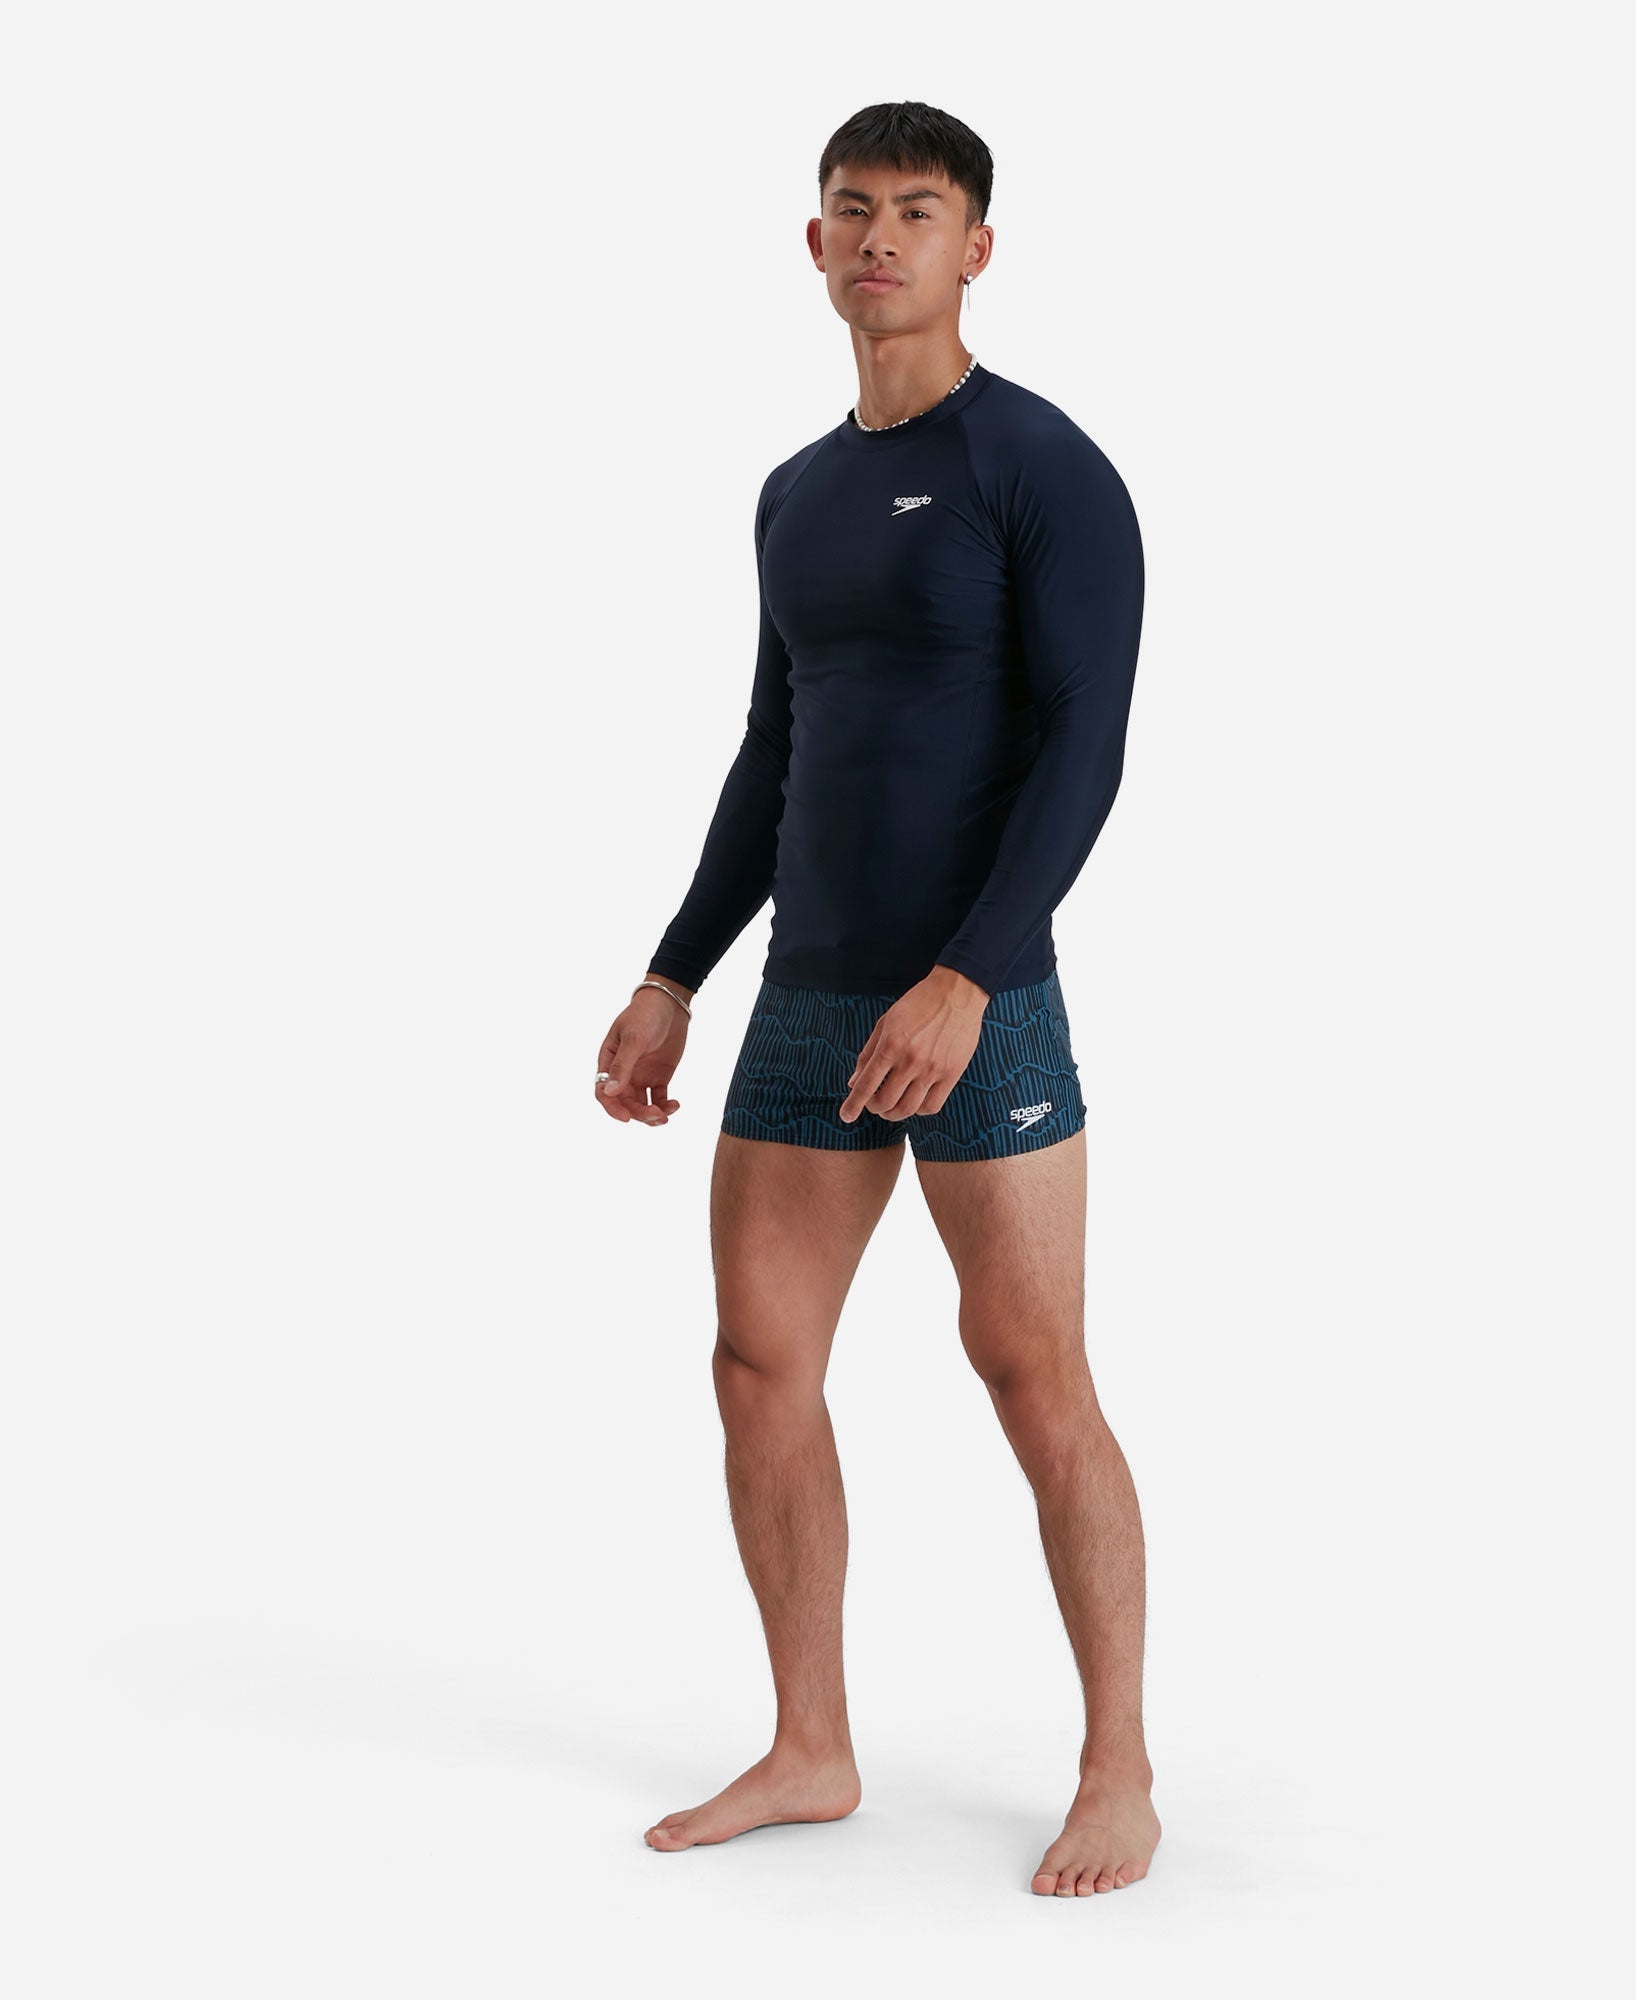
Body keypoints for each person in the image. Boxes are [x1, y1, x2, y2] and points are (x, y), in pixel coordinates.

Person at [593, 100, 1158, 1898]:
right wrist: (675, 971)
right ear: (814, 240)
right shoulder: (798, 491)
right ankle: (812, 1745)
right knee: (758, 1364)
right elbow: (776, 750)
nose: (882, 237)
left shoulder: (1042, 466)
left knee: (1032, 1372)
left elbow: (1087, 745)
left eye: (919, 211)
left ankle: (1121, 1766)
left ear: (977, 247)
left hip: (981, 1002)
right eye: (853, 208)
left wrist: (970, 976)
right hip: (810, 995)